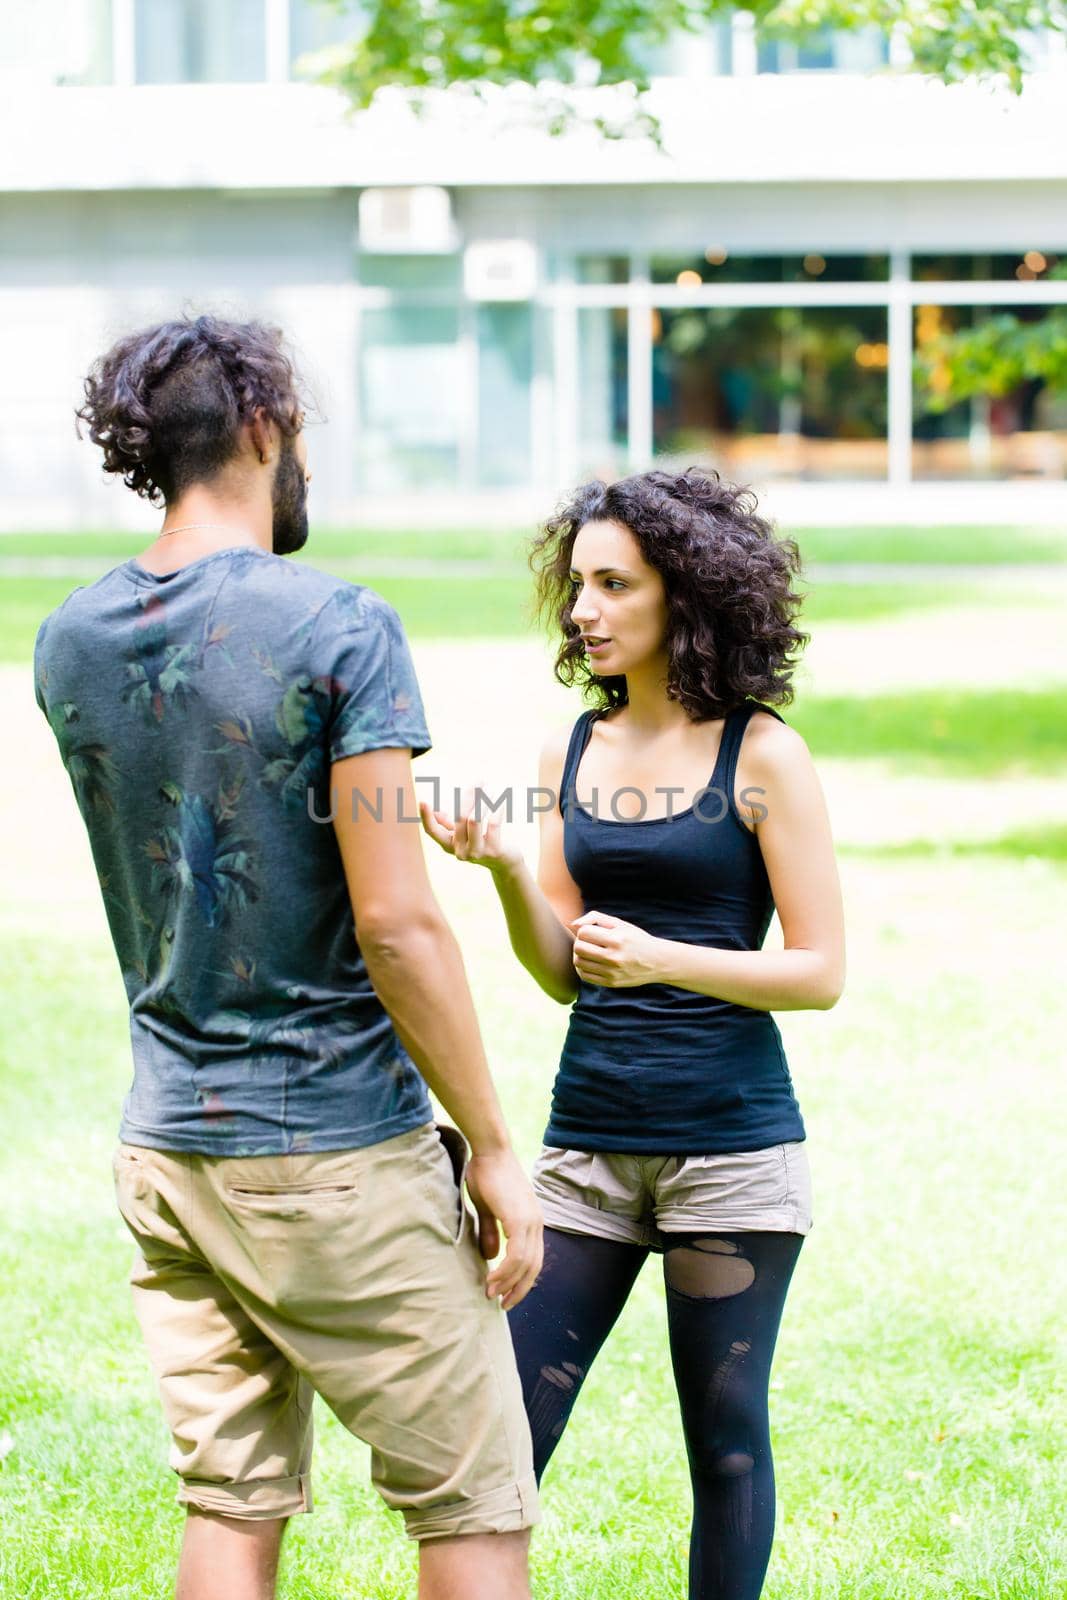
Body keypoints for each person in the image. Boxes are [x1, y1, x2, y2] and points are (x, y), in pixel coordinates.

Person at [33, 313, 542, 1600]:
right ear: (263, 429)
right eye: (300, 430)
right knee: (472, 1503)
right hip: (332, 1152)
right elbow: (397, 917)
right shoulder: (341, 629)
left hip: (168, 1155)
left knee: (231, 1503)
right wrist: (489, 1141)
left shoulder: (71, 638)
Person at [420, 468, 846, 1600]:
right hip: (587, 1152)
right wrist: (512, 867)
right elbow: (564, 971)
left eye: (613, 585)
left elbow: (817, 972)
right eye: (576, 587)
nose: (583, 611)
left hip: (731, 1156)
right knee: (505, 1429)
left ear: (685, 595)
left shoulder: (760, 756)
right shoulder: (579, 748)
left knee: (726, 1441)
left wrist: (664, 959)